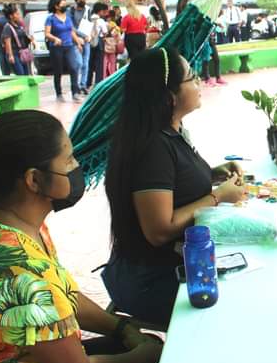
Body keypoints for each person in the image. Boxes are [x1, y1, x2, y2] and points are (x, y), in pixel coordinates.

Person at [0, 110, 162, 363]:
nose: (76, 166)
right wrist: (145, 356)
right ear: (34, 180)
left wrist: (120, 328)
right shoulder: (20, 269)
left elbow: (62, 294)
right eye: (68, 160)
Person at [103, 47, 246, 326]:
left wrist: (215, 173)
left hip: (173, 263)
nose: (200, 83)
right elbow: (159, 230)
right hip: (152, 280)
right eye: (192, 78)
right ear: (169, 96)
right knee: (239, 305)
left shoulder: (171, 132)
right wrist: (217, 197)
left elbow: (175, 181)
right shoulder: (153, 146)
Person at [45, 0, 83, 103]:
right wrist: (55, 38)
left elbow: (71, 32)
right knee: (58, 71)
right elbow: (47, 33)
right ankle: (59, 93)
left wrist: (78, 42)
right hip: (56, 48)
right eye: (62, 4)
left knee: (74, 67)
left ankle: (75, 92)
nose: (65, 6)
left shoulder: (68, 18)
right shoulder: (51, 18)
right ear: (56, 6)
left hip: (69, 46)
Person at [68, 0, 92, 95]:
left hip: (86, 40)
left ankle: (83, 85)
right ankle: (76, 85)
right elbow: (71, 27)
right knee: (78, 63)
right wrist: (80, 36)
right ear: (76, 0)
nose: (83, 1)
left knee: (86, 64)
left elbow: (90, 23)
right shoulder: (71, 11)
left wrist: (89, 35)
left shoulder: (88, 10)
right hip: (75, 39)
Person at [0, 7, 33, 76]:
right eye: (17, 14)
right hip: (14, 54)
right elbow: (7, 43)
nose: (19, 15)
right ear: (11, 16)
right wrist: (11, 55)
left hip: (22, 53)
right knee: (20, 74)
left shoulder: (19, 26)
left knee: (26, 73)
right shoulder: (8, 27)